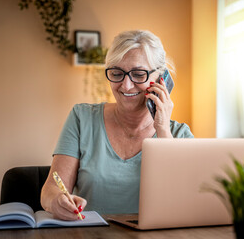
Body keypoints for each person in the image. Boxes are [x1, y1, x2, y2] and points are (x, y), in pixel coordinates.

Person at [40, 30, 194, 220]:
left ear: (161, 79)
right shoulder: (82, 118)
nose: (126, 85)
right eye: (117, 73)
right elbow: (50, 190)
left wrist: (163, 131)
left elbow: (184, 203)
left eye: (138, 74)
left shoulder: (180, 135)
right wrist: (56, 201)